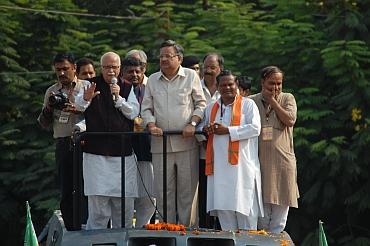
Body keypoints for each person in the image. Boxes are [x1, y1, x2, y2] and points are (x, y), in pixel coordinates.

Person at [141, 40, 206, 226]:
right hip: (160, 144)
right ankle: (165, 232)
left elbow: (201, 104)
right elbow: (145, 108)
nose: (163, 60)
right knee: (163, 192)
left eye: (168, 56)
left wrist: (193, 123)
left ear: (179, 58)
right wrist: (151, 125)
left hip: (186, 142)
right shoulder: (152, 79)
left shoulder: (191, 76)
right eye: (161, 56)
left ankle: (187, 232)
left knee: (187, 193)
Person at [75, 51, 140, 229]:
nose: (111, 71)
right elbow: (78, 105)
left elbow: (133, 112)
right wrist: (87, 98)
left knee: (123, 206)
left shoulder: (126, 86)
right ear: (100, 68)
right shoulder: (90, 84)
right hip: (96, 155)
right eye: (107, 67)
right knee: (99, 208)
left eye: (114, 67)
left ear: (120, 68)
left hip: (122, 154)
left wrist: (118, 98)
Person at [199, 70, 264, 231]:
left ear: (237, 86)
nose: (227, 87)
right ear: (218, 87)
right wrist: (205, 129)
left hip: (242, 169)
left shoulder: (248, 105)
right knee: (225, 214)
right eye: (223, 85)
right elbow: (201, 129)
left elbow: (255, 128)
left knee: (246, 213)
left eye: (230, 84)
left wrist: (228, 130)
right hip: (219, 170)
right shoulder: (211, 108)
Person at [38, 53, 89, 230]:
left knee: (85, 186)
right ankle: (71, 227)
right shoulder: (52, 91)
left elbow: (96, 116)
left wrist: (78, 109)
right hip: (62, 143)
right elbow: (43, 124)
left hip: (84, 142)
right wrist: (48, 109)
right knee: (66, 188)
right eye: (58, 70)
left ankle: (86, 224)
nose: (61, 73)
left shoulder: (86, 87)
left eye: (65, 69)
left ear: (74, 68)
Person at [250, 66, 299, 233]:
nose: (275, 87)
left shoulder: (287, 98)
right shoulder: (251, 101)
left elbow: (290, 120)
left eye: (279, 83)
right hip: (259, 164)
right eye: (271, 83)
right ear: (262, 82)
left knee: (278, 221)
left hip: (282, 164)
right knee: (261, 219)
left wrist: (273, 101)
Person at [121, 54, 156, 228]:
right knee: (126, 192)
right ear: (122, 73)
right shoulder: (118, 88)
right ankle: (125, 229)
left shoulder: (153, 86)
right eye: (129, 72)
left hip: (147, 145)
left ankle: (143, 227)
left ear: (144, 70)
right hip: (124, 145)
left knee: (150, 193)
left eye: (137, 71)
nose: (134, 75)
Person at [197, 52, 223, 228]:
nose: (208, 71)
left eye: (212, 67)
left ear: (219, 69)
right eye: (205, 67)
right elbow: (190, 117)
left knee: (221, 192)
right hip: (201, 150)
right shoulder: (195, 87)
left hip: (223, 152)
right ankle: (204, 230)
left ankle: (222, 229)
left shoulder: (228, 88)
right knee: (204, 194)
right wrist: (202, 138)